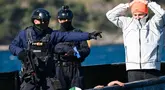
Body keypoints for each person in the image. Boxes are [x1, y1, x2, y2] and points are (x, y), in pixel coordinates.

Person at [9, 8, 102, 90]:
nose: (45, 23)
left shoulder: (52, 34)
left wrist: (88, 35)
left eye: (47, 21)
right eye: (43, 21)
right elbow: (12, 46)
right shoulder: (24, 34)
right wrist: (20, 52)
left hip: (48, 75)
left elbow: (69, 35)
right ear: (35, 21)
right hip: (30, 75)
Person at [106, 0, 165, 82]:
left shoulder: (155, 24)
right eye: (135, 14)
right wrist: (128, 5)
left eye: (140, 14)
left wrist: (148, 3)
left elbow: (162, 14)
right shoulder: (127, 23)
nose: (137, 17)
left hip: (151, 68)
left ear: (146, 13)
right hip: (132, 69)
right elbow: (110, 15)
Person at [53, 5, 90, 90]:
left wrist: (75, 53)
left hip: (75, 69)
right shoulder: (54, 35)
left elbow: (86, 50)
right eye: (63, 19)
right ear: (59, 20)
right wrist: (64, 49)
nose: (65, 21)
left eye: (67, 19)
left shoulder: (78, 33)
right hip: (59, 70)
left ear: (71, 19)